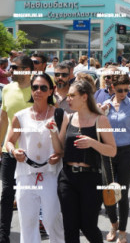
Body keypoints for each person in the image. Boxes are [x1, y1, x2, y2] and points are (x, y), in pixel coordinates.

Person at [54, 80, 116, 243]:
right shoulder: (69, 118)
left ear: (84, 97)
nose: (68, 99)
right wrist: (52, 133)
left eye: (72, 95)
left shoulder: (100, 120)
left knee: (88, 225)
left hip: (90, 178)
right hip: (67, 178)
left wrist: (92, 143)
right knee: (70, 226)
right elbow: (60, 149)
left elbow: (112, 150)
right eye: (68, 95)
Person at [6, 73, 65, 243]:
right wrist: (13, 152)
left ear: (51, 91)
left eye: (43, 88)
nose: (38, 91)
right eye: (35, 87)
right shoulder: (21, 116)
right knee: (28, 222)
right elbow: (9, 142)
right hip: (26, 174)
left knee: (52, 218)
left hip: (50, 174)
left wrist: (59, 154)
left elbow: (63, 147)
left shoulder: (60, 115)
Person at [103, 74, 130, 243]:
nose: (123, 93)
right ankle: (113, 224)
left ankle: (122, 229)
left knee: (122, 192)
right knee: (107, 192)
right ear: (113, 88)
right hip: (107, 152)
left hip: (126, 152)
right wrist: (99, 114)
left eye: (126, 89)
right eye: (119, 90)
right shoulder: (105, 105)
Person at [0, 55, 35, 243]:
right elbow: (4, 118)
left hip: (34, 153)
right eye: (10, 66)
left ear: (27, 70)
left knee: (30, 194)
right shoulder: (7, 89)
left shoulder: (39, 88)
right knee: (7, 194)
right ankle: (3, 235)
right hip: (10, 151)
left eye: (15, 67)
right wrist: (0, 144)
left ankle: (30, 235)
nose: (10, 69)